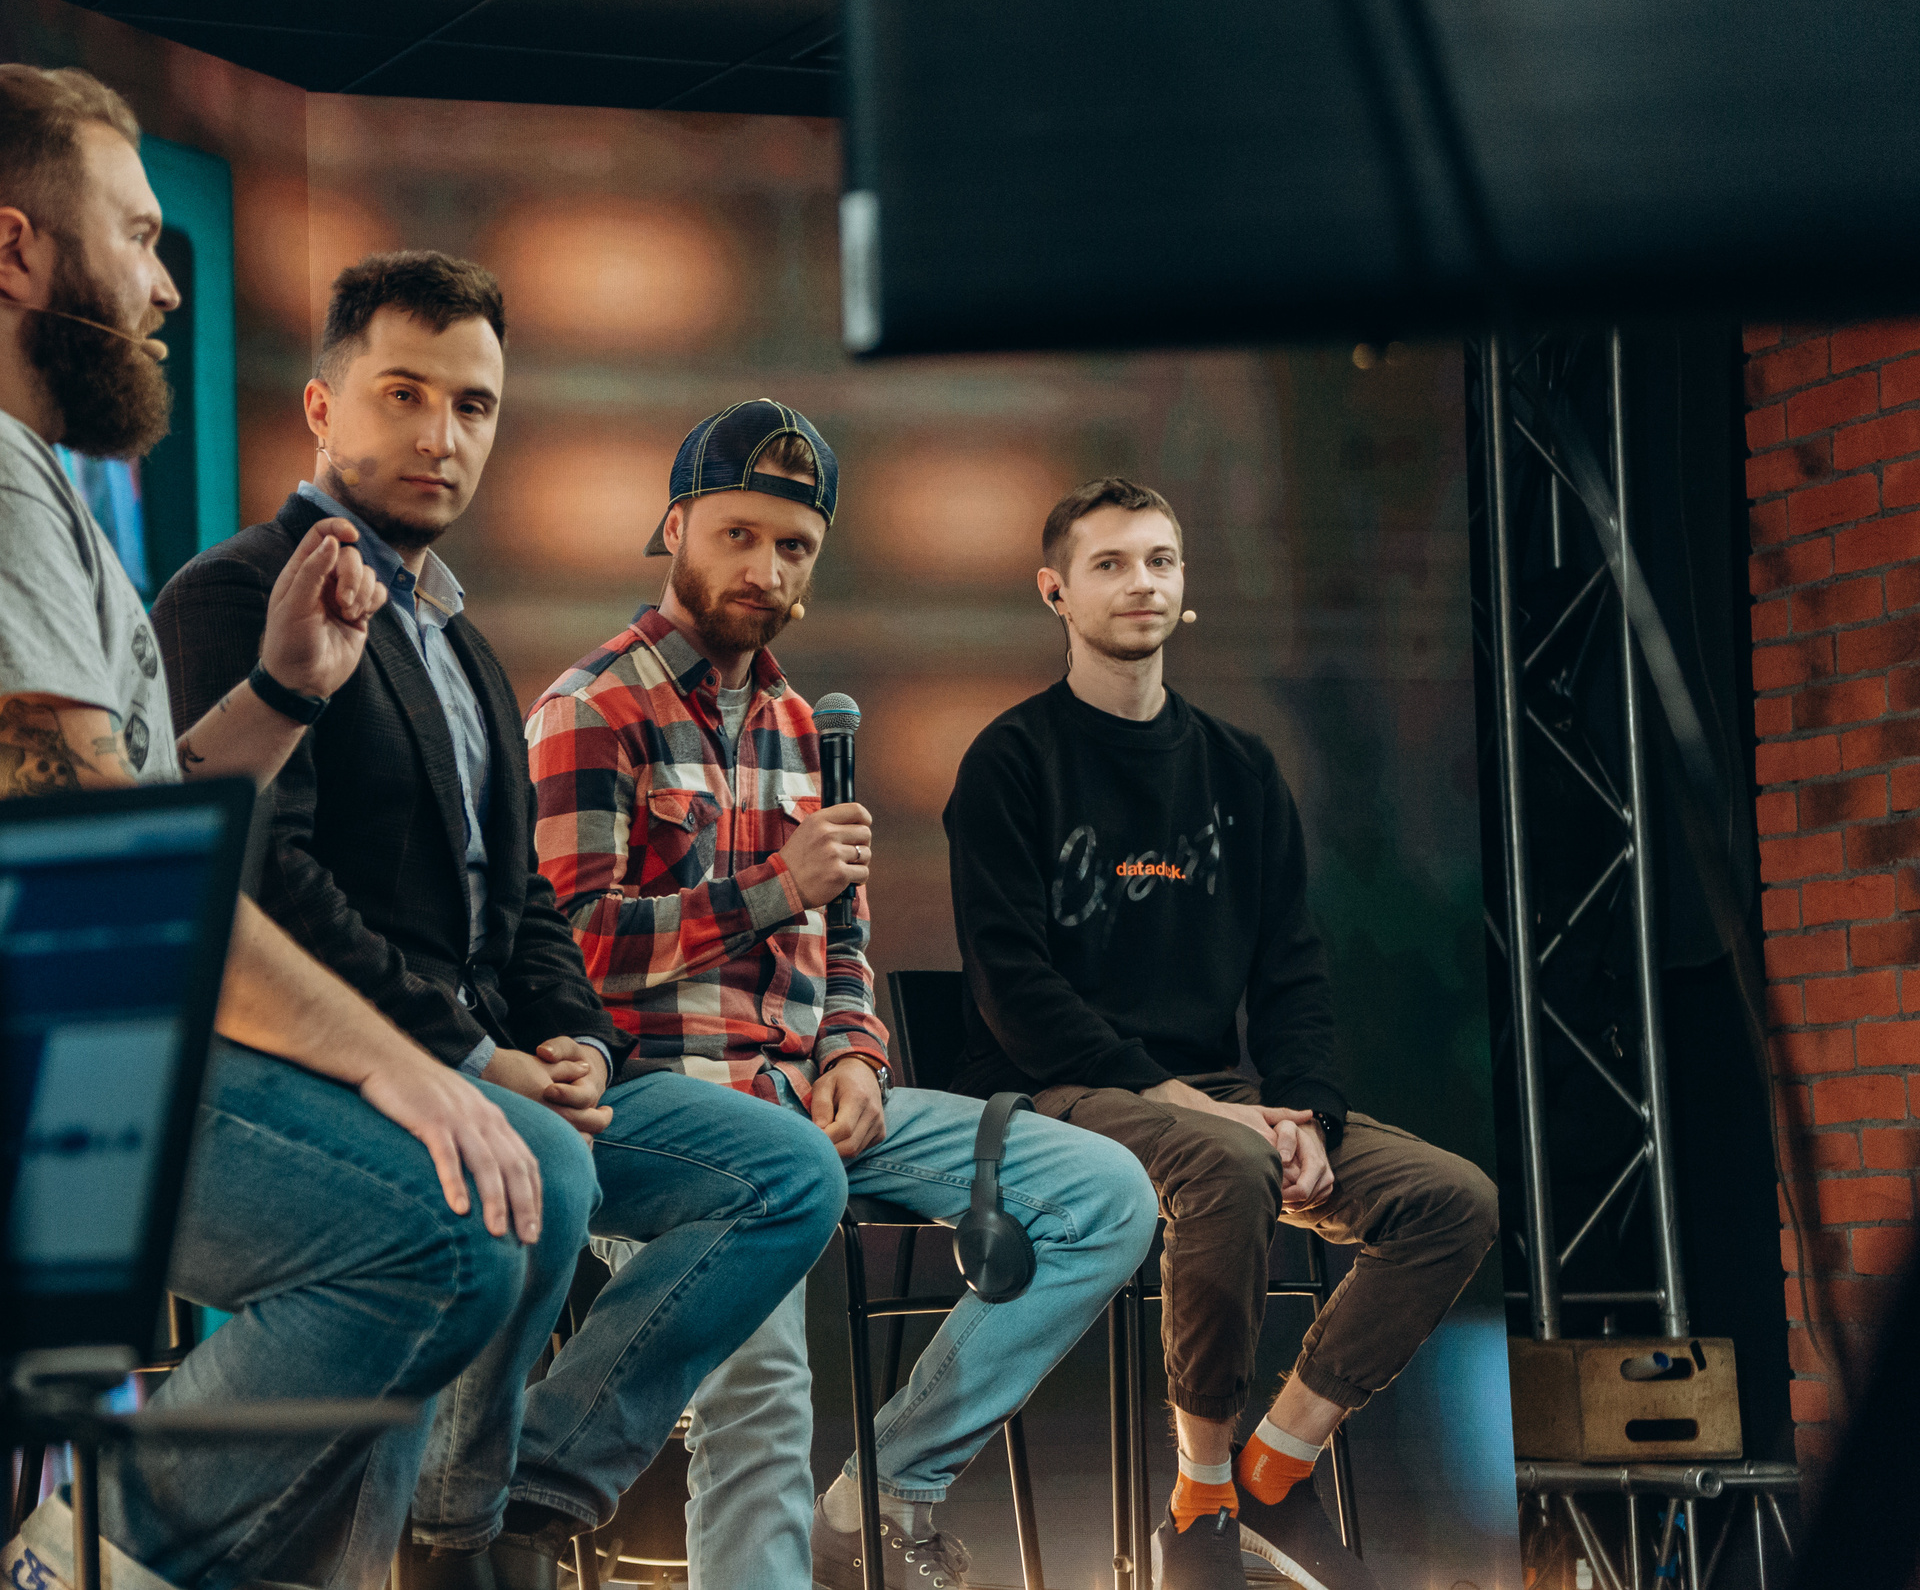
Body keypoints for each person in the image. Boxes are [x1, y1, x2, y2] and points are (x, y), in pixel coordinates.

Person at [0, 65, 597, 1590]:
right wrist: (399, 1061)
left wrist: (280, 694)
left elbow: (121, 825)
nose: (165, 286)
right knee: (443, 1226)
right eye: (142, 237)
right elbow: (98, 880)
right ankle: (69, 1573)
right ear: (15, 251)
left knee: (479, 1195)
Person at [152, 255, 848, 1589]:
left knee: (788, 1173)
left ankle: (522, 1494)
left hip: (508, 1057)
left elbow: (523, 895)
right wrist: (478, 1060)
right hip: (331, 1062)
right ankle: (455, 1545)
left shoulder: (461, 641)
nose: (441, 434)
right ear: (321, 406)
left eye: (471, 404)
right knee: (540, 1170)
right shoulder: (234, 594)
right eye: (403, 393)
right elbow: (263, 882)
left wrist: (573, 1033)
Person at [524, 401, 1158, 1590]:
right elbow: (565, 954)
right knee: (763, 1378)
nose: (765, 569)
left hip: (805, 1100)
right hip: (665, 1119)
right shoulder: (590, 709)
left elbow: (845, 942)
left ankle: (878, 1492)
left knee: (1104, 1194)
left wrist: (854, 1053)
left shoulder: (801, 724)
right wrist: (772, 889)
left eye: (794, 546)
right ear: (675, 527)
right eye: (738, 535)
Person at [943, 476, 1501, 1590]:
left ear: (1184, 583)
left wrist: (1310, 1116)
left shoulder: (1240, 768)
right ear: (1056, 592)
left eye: (1160, 560)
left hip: (1216, 1103)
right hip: (1056, 1095)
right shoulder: (1011, 760)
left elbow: (1291, 974)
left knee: (1454, 1200)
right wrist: (1195, 1105)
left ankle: (1274, 1474)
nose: (1140, 582)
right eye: (1109, 563)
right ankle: (1197, 1508)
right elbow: (1015, 992)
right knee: (1227, 1160)